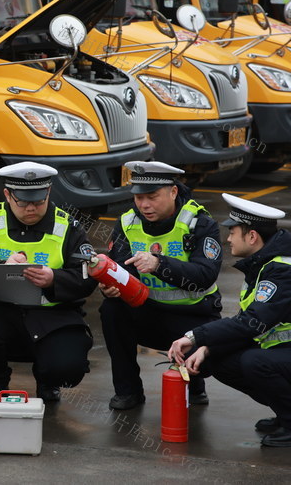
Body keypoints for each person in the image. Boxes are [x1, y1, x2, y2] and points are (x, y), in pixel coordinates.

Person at [168, 193, 291, 447]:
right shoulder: (264, 266)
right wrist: (207, 348)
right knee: (218, 359)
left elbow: (251, 323)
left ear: (252, 237)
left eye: (233, 232)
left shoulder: (282, 271)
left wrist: (195, 336)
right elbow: (249, 326)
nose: (228, 238)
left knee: (255, 362)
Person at [0, 161, 97, 407]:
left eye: (38, 201)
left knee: (68, 367)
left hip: (52, 315)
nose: (31, 208)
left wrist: (54, 278)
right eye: (22, 202)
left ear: (48, 192)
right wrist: (1, 264)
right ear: (7, 194)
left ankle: (48, 382)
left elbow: (87, 277)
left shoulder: (68, 227)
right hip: (1, 311)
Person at [99, 161, 223, 410]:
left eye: (152, 197)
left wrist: (159, 264)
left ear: (173, 192)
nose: (144, 205)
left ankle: (194, 384)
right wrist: (111, 284)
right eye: (139, 197)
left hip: (192, 316)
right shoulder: (127, 222)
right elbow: (120, 267)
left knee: (209, 361)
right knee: (111, 309)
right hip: (146, 311)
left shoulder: (199, 223)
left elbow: (205, 275)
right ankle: (128, 391)